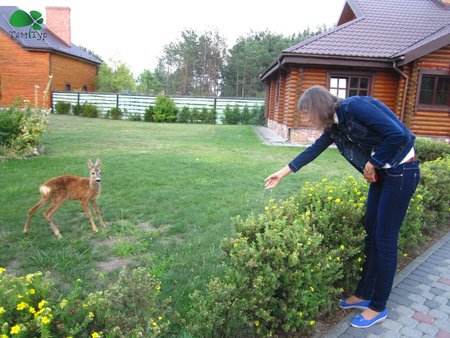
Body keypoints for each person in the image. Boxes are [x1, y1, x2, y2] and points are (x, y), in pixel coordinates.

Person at [264, 85, 420, 329]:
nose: (306, 119)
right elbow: (314, 149)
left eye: (307, 114)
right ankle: (364, 293)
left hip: (402, 172)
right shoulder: (335, 127)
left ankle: (378, 307)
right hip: (383, 176)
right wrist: (283, 172)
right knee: (371, 235)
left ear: (318, 108)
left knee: (385, 241)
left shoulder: (355, 106)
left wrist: (373, 162)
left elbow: (398, 135)